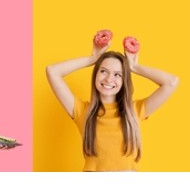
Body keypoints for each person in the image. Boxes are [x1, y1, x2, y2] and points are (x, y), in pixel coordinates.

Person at [45, 31, 178, 171]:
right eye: (103, 71)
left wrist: (134, 67)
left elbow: (171, 82)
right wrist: (92, 58)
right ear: (95, 74)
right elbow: (52, 71)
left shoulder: (135, 111)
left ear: (124, 80)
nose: (109, 79)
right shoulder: (82, 111)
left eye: (117, 74)